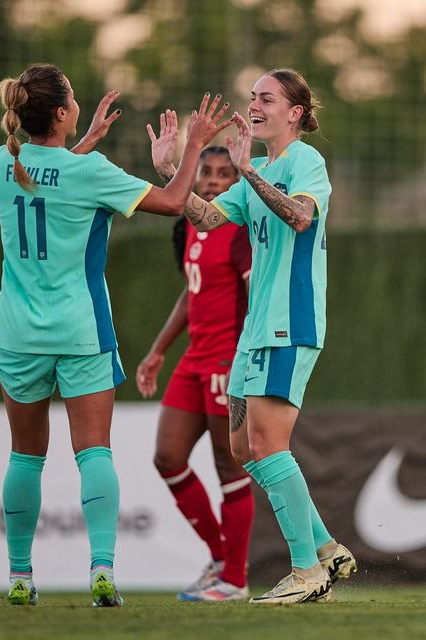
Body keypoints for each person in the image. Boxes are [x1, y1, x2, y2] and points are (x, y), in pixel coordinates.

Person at [0, 63, 231, 607]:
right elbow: (172, 204)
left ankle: (20, 578)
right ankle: (101, 570)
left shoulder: (3, 162)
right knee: (93, 452)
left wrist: (86, 143)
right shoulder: (91, 172)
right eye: (72, 97)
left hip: (18, 334)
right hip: (80, 333)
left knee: (25, 457)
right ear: (61, 112)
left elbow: (45, 183)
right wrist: (193, 145)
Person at [149, 68, 357, 605]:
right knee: (243, 448)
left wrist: (248, 172)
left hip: (292, 321)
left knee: (269, 445)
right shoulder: (255, 170)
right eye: (253, 98)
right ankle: (326, 547)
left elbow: (302, 218)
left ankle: (307, 571)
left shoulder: (305, 161)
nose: (255, 105)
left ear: (294, 113)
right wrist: (174, 168)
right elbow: (204, 219)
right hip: (256, 330)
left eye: (267, 99)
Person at [136, 145, 255, 601]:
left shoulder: (239, 230)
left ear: (235, 183)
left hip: (228, 361)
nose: (212, 181)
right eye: (206, 172)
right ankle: (221, 557)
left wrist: (243, 362)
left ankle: (236, 581)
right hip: (193, 359)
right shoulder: (190, 224)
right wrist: (157, 351)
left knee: (230, 466)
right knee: (167, 456)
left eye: (224, 175)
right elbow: (192, 292)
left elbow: (254, 293)